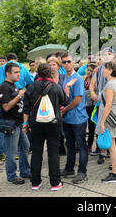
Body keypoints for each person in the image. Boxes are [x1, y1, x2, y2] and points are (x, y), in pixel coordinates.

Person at [22, 63, 68, 191]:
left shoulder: (31, 87)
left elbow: (26, 108)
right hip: (53, 123)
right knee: (53, 153)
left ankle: (35, 182)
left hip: (36, 124)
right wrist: (67, 88)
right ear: (50, 73)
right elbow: (65, 101)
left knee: (36, 152)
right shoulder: (55, 86)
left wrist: (25, 124)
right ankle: (55, 182)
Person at [0, 62, 31, 185]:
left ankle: (25, 171)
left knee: (25, 146)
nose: (19, 74)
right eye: (16, 72)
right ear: (7, 73)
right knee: (11, 153)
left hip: (18, 123)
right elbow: (5, 107)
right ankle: (11, 176)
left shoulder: (14, 85)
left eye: (19, 72)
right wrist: (18, 96)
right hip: (10, 123)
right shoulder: (4, 87)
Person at [60, 53, 89, 184]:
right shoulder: (65, 78)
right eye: (64, 62)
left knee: (81, 145)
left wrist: (65, 109)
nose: (66, 64)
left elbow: (77, 99)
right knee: (69, 144)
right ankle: (69, 168)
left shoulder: (77, 78)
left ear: (73, 63)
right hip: (67, 119)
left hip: (78, 118)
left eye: (68, 61)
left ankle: (82, 172)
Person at [97, 61, 116, 183]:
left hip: (109, 118)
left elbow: (108, 105)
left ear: (110, 70)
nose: (103, 70)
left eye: (105, 68)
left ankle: (115, 174)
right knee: (113, 146)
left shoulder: (110, 85)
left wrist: (102, 122)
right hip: (115, 116)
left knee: (111, 147)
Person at [89, 47, 114, 163]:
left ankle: (114, 151)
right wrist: (93, 93)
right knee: (100, 126)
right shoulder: (98, 69)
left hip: (112, 103)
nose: (107, 56)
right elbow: (92, 84)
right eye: (105, 54)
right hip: (100, 102)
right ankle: (103, 152)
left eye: (109, 54)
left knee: (113, 126)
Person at [84, 63, 98, 153]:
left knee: (92, 126)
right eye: (88, 70)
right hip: (84, 105)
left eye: (91, 70)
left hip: (93, 105)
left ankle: (91, 146)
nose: (88, 72)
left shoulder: (95, 80)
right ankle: (87, 145)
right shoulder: (83, 78)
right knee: (86, 126)